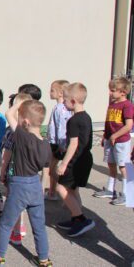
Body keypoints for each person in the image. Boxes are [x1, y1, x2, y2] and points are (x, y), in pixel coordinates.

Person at [0, 99, 53, 267]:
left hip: (19, 186)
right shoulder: (45, 144)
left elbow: (8, 114)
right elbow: (46, 167)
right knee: (39, 226)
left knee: (7, 223)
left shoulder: (22, 136)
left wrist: (18, 104)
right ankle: (44, 259)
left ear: (26, 122)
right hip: (35, 185)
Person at [55, 83, 96, 237]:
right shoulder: (86, 117)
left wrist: (64, 163)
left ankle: (81, 219)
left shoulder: (73, 120)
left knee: (61, 188)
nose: (63, 103)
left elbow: (73, 144)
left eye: (65, 100)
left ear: (72, 101)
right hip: (85, 159)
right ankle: (75, 219)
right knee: (73, 189)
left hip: (75, 160)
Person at [94, 77, 134, 206]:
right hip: (110, 140)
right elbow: (108, 123)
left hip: (121, 141)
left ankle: (127, 194)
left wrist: (115, 136)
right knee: (111, 164)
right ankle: (111, 190)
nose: (110, 93)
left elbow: (128, 125)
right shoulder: (112, 104)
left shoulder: (127, 105)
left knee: (123, 166)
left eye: (113, 90)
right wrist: (106, 136)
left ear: (123, 92)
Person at [0, 93, 32, 245]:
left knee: (13, 201)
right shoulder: (32, 131)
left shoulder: (12, 132)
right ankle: (22, 226)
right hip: (28, 174)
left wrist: (2, 172)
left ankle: (16, 232)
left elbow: (6, 155)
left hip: (13, 172)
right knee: (22, 201)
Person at [46, 80, 71, 201]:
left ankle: (63, 188)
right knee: (52, 168)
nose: (50, 92)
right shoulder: (63, 107)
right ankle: (52, 192)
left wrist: (61, 145)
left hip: (57, 144)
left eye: (52, 90)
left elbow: (61, 128)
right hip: (56, 142)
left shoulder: (60, 108)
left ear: (61, 93)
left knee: (52, 170)